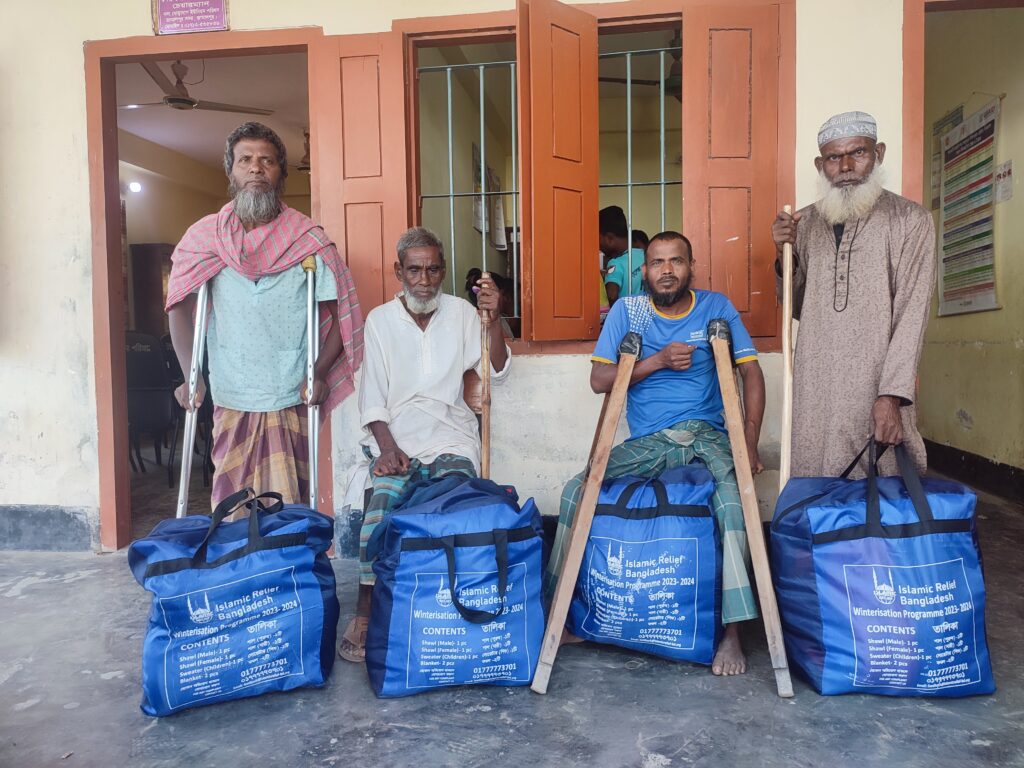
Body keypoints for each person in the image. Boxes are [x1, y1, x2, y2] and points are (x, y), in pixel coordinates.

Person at [547, 231, 766, 676]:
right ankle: (560, 616)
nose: (667, 270)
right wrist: (659, 361)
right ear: (643, 270)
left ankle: (732, 634)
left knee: (731, 503)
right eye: (657, 262)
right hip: (650, 442)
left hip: (706, 435)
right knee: (575, 491)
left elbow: (753, 375)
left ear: (691, 267)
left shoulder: (715, 308)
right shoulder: (628, 313)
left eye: (676, 261)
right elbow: (600, 382)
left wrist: (748, 440)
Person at [166, 122, 363, 508]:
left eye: (267, 161)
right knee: (232, 499)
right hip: (230, 389)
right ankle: (240, 562)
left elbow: (340, 314)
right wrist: (192, 373)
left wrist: (319, 372)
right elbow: (178, 306)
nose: (256, 168)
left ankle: (285, 562)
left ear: (280, 174)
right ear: (231, 171)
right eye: (245, 160)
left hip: (290, 388)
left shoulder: (307, 239)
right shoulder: (205, 239)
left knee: (289, 499)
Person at [339, 227, 511, 662]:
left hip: (452, 434)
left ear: (444, 271)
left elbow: (498, 368)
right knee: (382, 504)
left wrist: (495, 317)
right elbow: (372, 397)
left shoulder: (461, 313)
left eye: (433, 269)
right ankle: (364, 610)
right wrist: (387, 448)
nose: (424, 279)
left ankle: (449, 598)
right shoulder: (380, 321)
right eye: (414, 270)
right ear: (399, 271)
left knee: (456, 503)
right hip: (398, 437)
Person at [771, 111, 936, 478]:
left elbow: (912, 316)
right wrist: (785, 256)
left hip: (875, 387)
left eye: (857, 153)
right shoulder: (805, 222)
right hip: (815, 384)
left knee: (877, 501)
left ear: (878, 153)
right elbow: (798, 308)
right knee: (816, 493)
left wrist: (892, 396)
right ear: (820, 164)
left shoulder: (910, 220)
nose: (845, 166)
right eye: (833, 157)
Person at [601, 205, 645, 304]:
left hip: (627, 316)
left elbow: (611, 295)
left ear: (609, 238)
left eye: (598, 239)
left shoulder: (615, 263)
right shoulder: (645, 254)